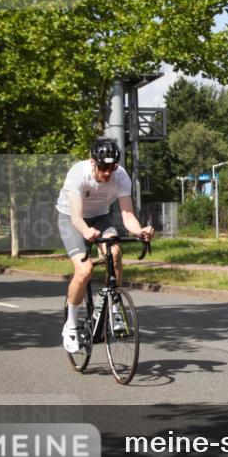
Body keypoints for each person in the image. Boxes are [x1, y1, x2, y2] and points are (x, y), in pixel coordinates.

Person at [56, 137, 154, 353]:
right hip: (71, 219)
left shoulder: (121, 176)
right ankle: (70, 325)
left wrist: (140, 231)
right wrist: (86, 231)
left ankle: (115, 308)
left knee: (115, 253)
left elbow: (127, 215)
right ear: (93, 162)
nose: (108, 173)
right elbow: (76, 218)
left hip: (100, 217)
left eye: (112, 167)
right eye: (103, 168)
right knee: (84, 270)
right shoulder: (78, 173)